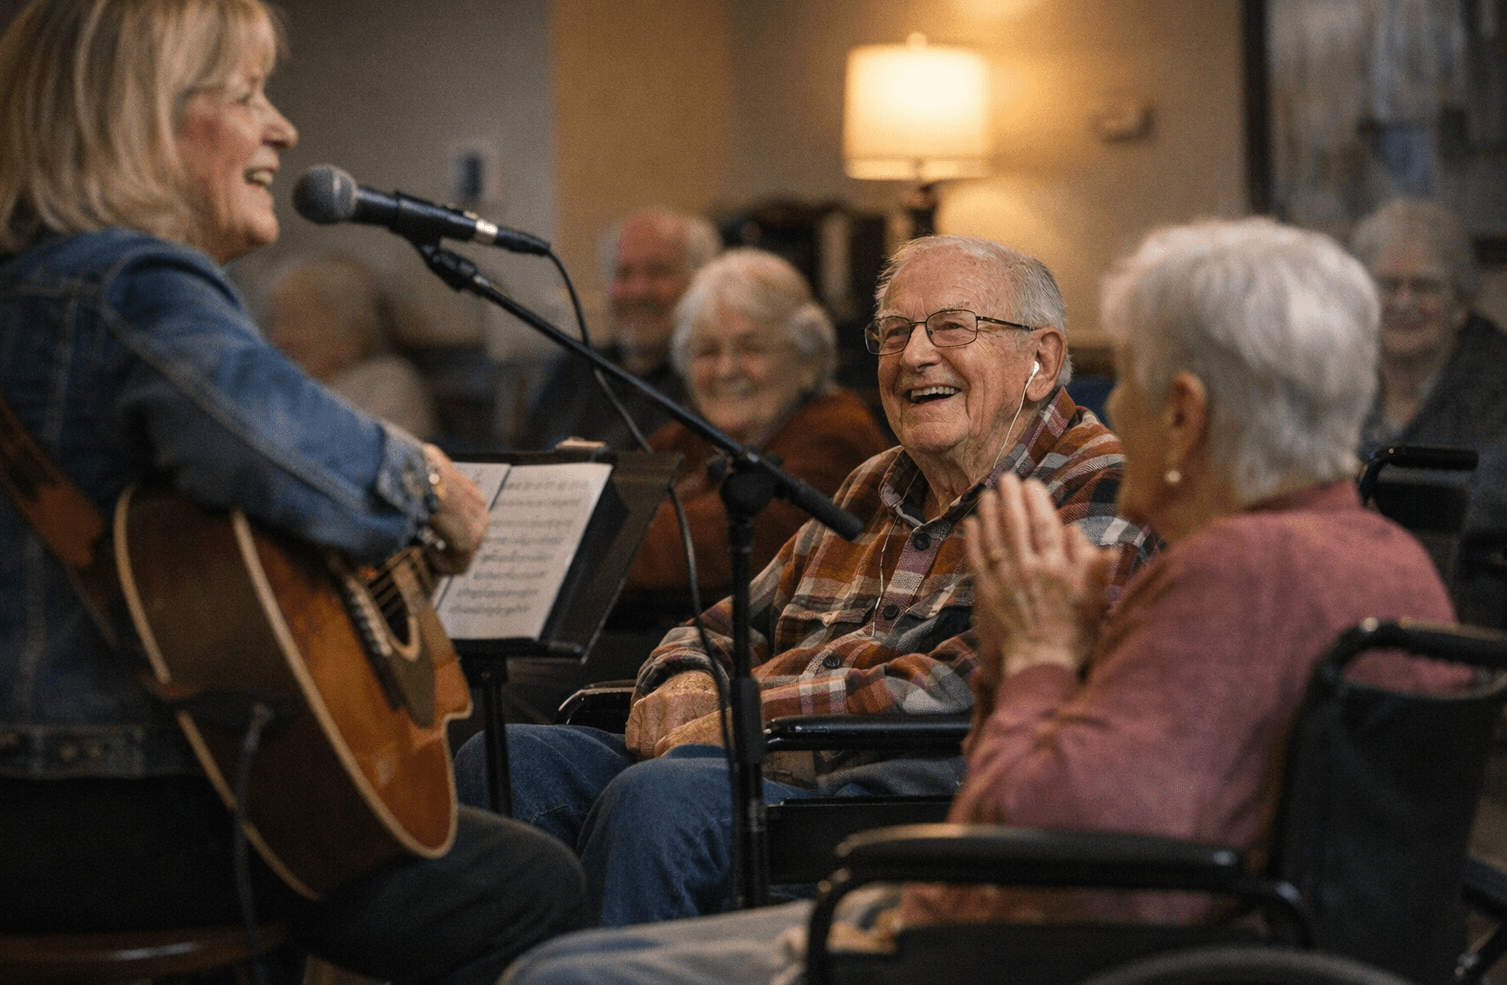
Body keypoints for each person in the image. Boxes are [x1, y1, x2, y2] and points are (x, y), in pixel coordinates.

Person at [492, 217, 1471, 985]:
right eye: (896, 331)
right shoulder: (1384, 559)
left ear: (1184, 412)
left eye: (1125, 378)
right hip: (1119, 921)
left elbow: (1048, 826)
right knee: (520, 768)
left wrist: (1037, 656)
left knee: (562, 968)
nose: (1110, 409)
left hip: (1030, 940)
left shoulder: (1232, 570)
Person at [0, 0, 587, 984]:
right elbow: (292, 457)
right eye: (248, 94)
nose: (284, 129)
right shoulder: (133, 281)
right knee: (531, 881)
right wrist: (428, 486)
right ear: (142, 119)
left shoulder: (9, 296)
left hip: (11, 804)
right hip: (102, 805)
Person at [455, 233, 1161, 926]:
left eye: (952, 327)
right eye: (894, 333)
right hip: (768, 759)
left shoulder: (1100, 486)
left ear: (1041, 360)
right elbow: (725, 626)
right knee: (509, 762)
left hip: (911, 792)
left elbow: (983, 682)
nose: (915, 355)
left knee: (664, 798)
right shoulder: (876, 482)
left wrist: (753, 713)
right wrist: (690, 680)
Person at [622, 246, 890, 601]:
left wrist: (596, 535)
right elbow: (615, 502)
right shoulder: (686, 439)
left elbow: (726, 543)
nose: (726, 370)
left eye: (751, 348)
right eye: (706, 351)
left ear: (808, 358)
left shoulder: (837, 433)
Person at [1348, 195, 1507, 534]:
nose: (1404, 302)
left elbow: (1489, 511)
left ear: (1461, 304)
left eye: (1426, 286)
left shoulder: (1498, 385)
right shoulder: (1336, 379)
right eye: (1388, 285)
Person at [516, 208, 721, 451]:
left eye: (658, 272)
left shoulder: (712, 379)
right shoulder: (575, 370)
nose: (638, 290)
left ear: (701, 283)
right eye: (623, 273)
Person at [258, 253, 439, 439]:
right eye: (274, 322)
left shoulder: (386, 382)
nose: (280, 337)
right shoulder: (278, 383)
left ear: (351, 327)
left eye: (295, 320)